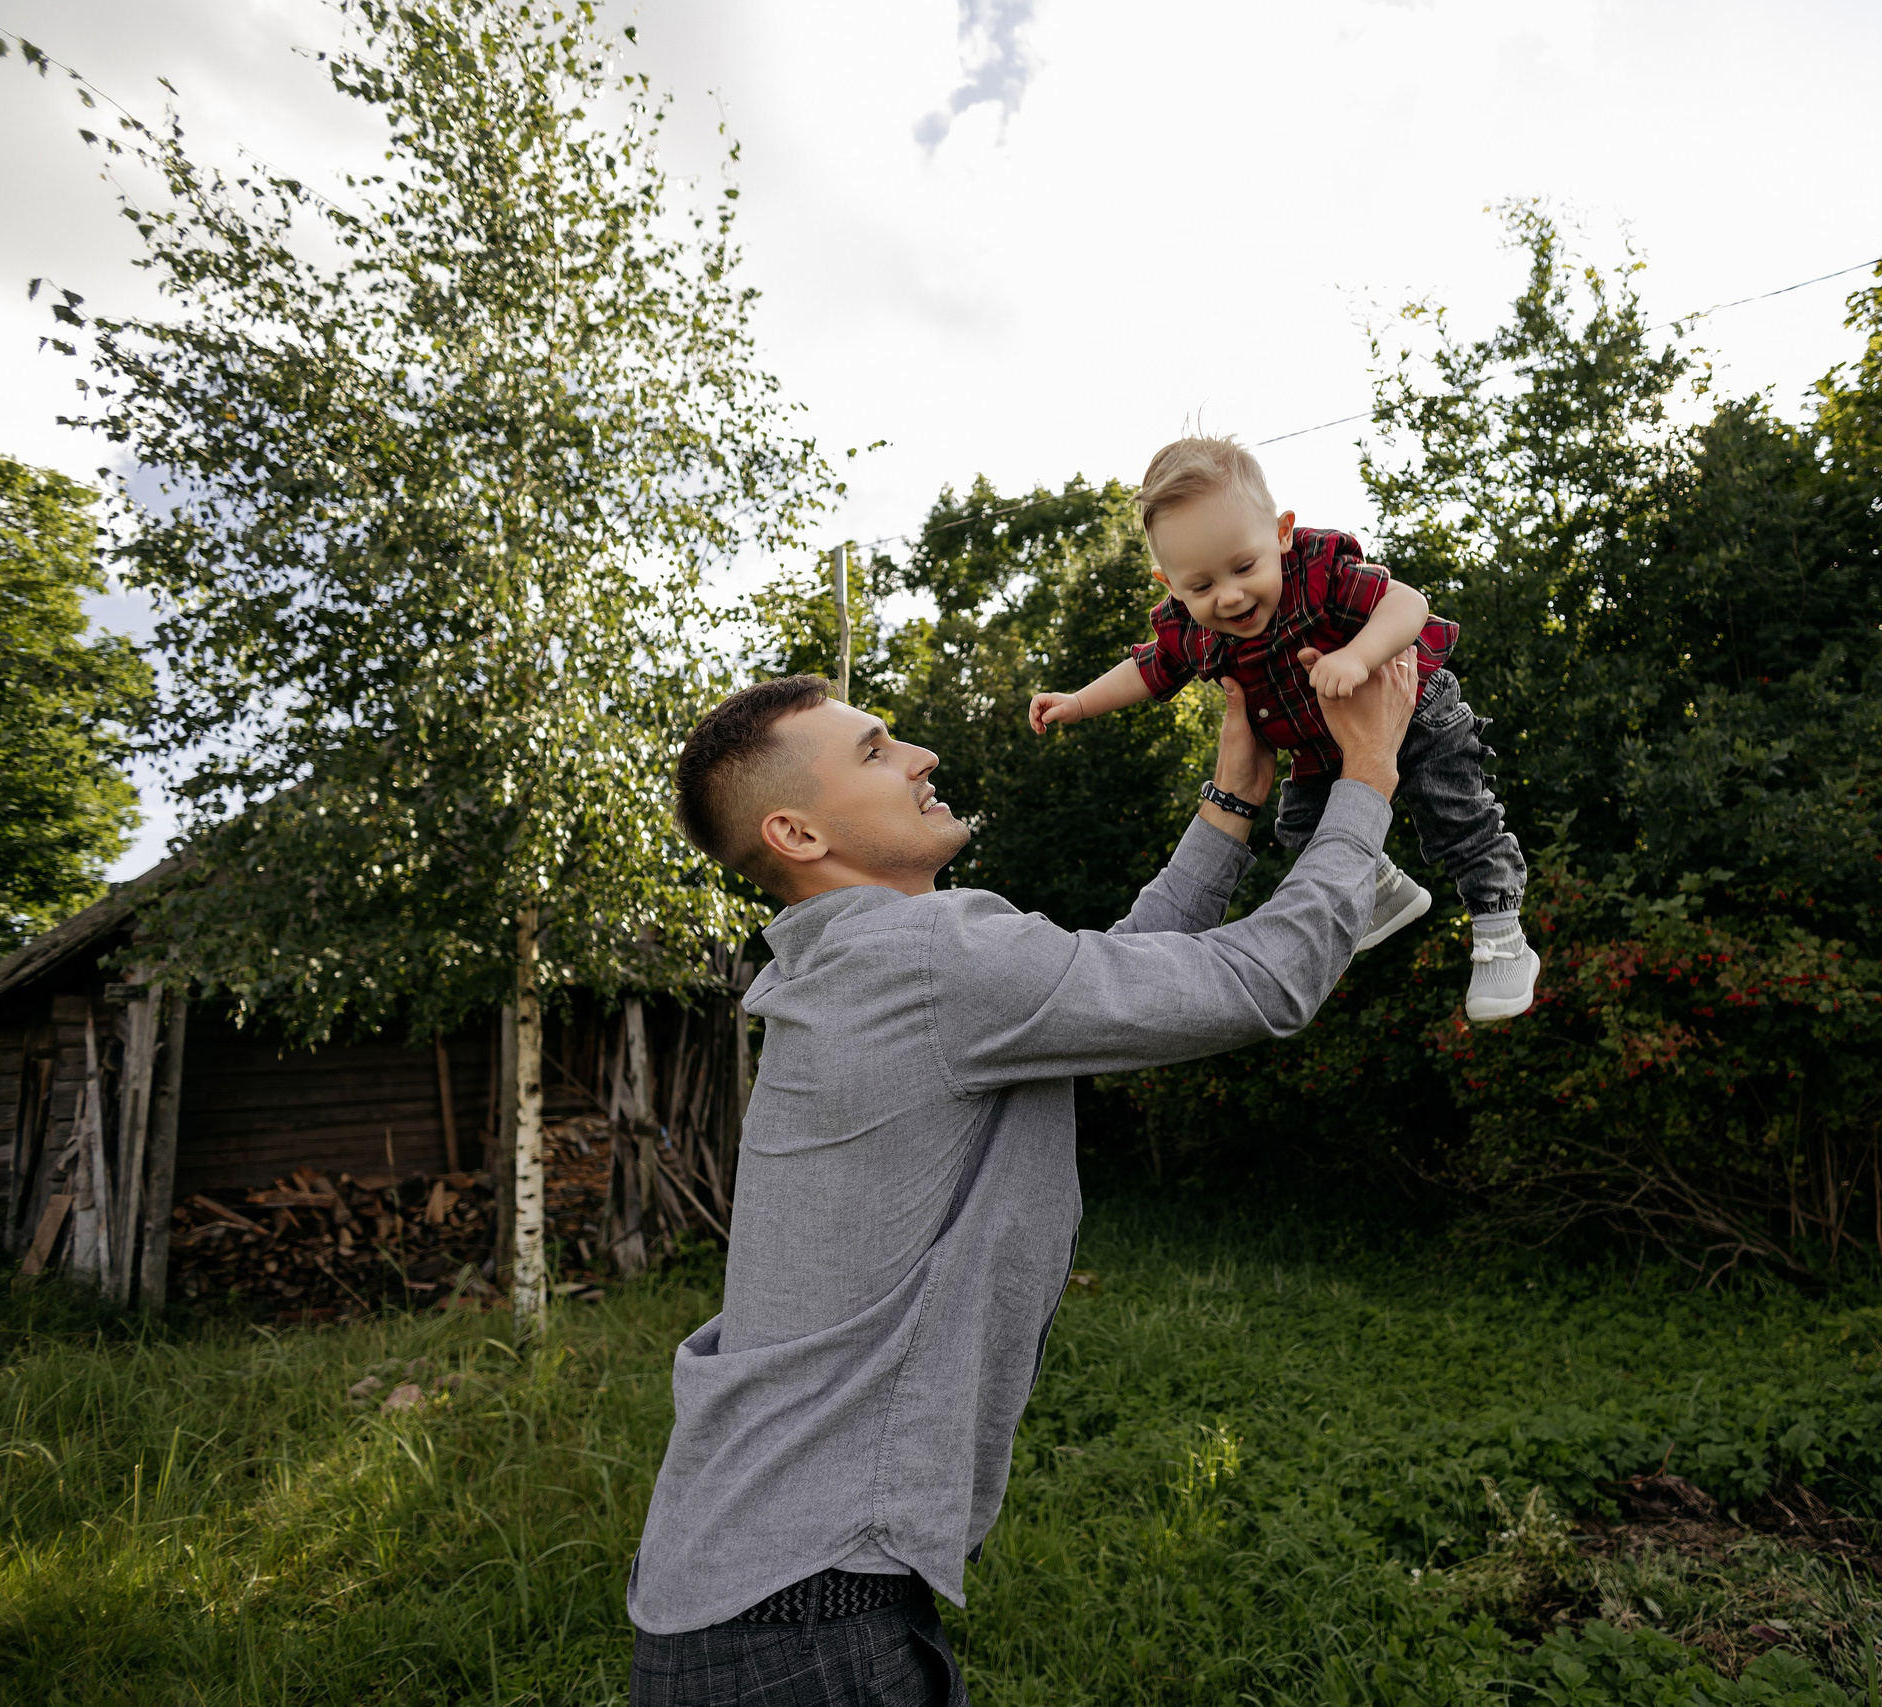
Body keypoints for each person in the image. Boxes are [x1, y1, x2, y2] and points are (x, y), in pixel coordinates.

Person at [629, 650, 1420, 1706]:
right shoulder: (925, 956)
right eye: (876, 751)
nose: (921, 755)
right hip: (804, 1625)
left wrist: (1231, 805)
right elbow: (1262, 982)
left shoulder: (852, 965)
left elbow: (1107, 987)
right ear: (799, 834)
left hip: (751, 1598)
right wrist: (1367, 776)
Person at [1026, 435, 1539, 1023]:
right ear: (1169, 584)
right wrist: (1079, 702)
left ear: (1281, 533)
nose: (1230, 596)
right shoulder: (1190, 630)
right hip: (1322, 748)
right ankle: (1383, 890)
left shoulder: (1317, 571)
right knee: (1299, 825)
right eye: (1202, 586)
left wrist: (1359, 656)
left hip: (1416, 710)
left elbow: (1408, 603)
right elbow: (1147, 669)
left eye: (1244, 567)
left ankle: (1501, 933)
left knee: (1457, 817)